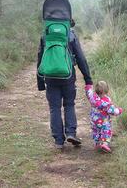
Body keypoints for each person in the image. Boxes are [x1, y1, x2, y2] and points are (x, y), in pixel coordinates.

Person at [37, 18, 93, 149]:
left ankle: (58, 140)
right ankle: (70, 133)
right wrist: (88, 79)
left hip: (50, 77)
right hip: (68, 77)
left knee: (54, 108)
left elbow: (40, 58)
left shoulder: (46, 36)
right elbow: (80, 58)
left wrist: (40, 81)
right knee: (69, 104)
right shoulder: (71, 35)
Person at [84, 81, 123, 153]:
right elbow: (112, 111)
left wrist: (88, 86)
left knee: (96, 131)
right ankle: (105, 144)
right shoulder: (105, 103)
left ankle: (97, 143)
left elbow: (88, 93)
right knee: (106, 131)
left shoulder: (93, 97)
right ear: (105, 91)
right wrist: (119, 110)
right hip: (103, 121)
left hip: (94, 120)